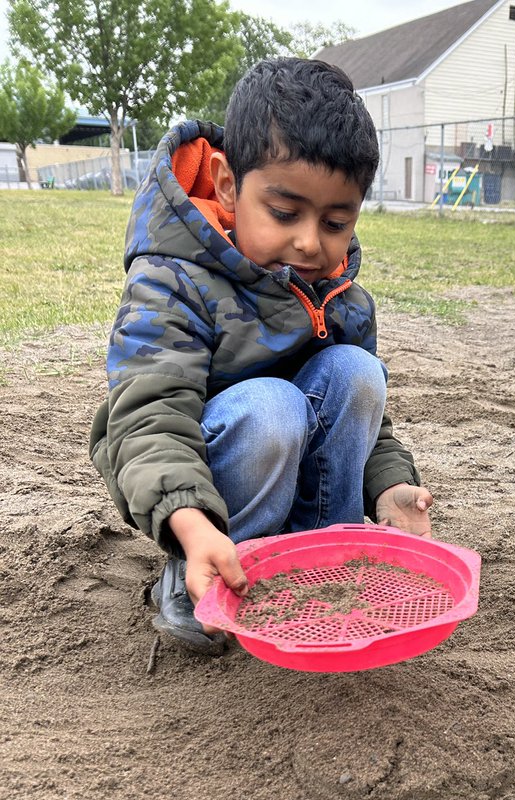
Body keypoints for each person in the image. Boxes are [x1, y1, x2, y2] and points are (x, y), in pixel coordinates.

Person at [89, 57, 432, 653]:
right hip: (202, 488)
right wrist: (191, 528)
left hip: (294, 469)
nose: (309, 242)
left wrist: (390, 487)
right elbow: (148, 421)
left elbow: (372, 427)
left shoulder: (340, 295)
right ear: (227, 185)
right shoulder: (173, 280)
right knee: (273, 406)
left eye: (335, 221)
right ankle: (210, 572)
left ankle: (322, 552)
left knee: (357, 371)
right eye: (284, 213)